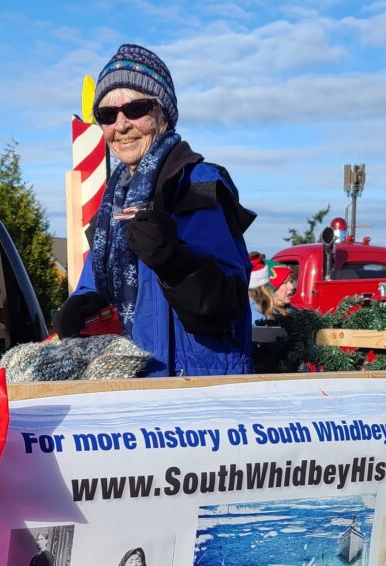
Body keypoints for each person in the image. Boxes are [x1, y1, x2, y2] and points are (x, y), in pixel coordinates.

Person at [54, 44, 255, 377]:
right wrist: (83, 304)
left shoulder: (198, 184)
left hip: (198, 390)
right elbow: (95, 283)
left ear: (163, 114)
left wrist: (176, 262)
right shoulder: (112, 203)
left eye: (136, 109)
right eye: (107, 114)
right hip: (128, 385)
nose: (121, 125)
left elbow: (224, 306)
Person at [247, 252, 295, 321]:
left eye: (291, 281)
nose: (291, 287)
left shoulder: (294, 312)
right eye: (284, 283)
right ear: (269, 289)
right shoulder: (257, 317)